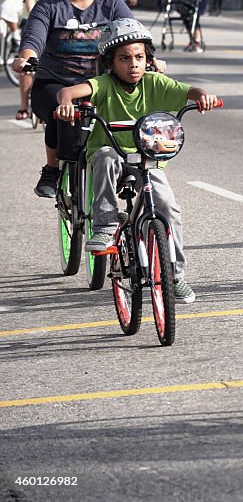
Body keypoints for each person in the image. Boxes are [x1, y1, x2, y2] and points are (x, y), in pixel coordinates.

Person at [52, 19, 217, 304]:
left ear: (148, 59)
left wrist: (204, 96)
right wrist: (66, 103)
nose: (133, 64)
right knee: (103, 156)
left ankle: (174, 275)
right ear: (110, 63)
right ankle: (104, 225)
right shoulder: (103, 85)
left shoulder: (155, 83)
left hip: (146, 160)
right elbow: (67, 93)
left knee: (168, 207)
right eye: (124, 59)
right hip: (112, 153)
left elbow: (189, 91)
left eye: (139, 57)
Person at [12, 0, 135, 198]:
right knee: (61, 108)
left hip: (99, 83)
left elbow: (133, 36)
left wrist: (150, 58)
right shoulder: (48, 6)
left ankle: (126, 167)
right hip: (55, 81)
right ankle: (52, 169)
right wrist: (26, 57)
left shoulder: (112, 4)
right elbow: (33, 37)